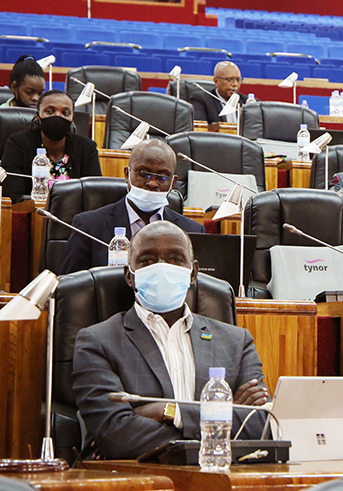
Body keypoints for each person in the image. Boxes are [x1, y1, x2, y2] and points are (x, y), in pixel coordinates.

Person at [73, 221, 270, 460]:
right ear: (129, 276)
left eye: (176, 259)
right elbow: (116, 436)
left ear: (194, 273)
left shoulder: (236, 342)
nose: (162, 268)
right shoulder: (97, 341)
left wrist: (169, 411)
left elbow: (260, 425)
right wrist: (220, 418)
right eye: (147, 260)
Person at [60, 139, 204, 275]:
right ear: (127, 175)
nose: (152, 183)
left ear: (172, 183)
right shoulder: (89, 226)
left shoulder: (192, 231)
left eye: (162, 177)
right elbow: (71, 288)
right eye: (143, 174)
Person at [1, 89, 100, 203]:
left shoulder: (87, 148)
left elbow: (94, 195)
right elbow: (11, 196)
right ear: (38, 116)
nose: (58, 116)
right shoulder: (18, 143)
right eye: (49, 111)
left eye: (65, 113)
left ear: (72, 118)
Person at [190, 61, 247, 132]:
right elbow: (200, 128)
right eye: (229, 79)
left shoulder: (246, 103)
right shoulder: (201, 99)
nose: (235, 84)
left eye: (238, 80)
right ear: (216, 81)